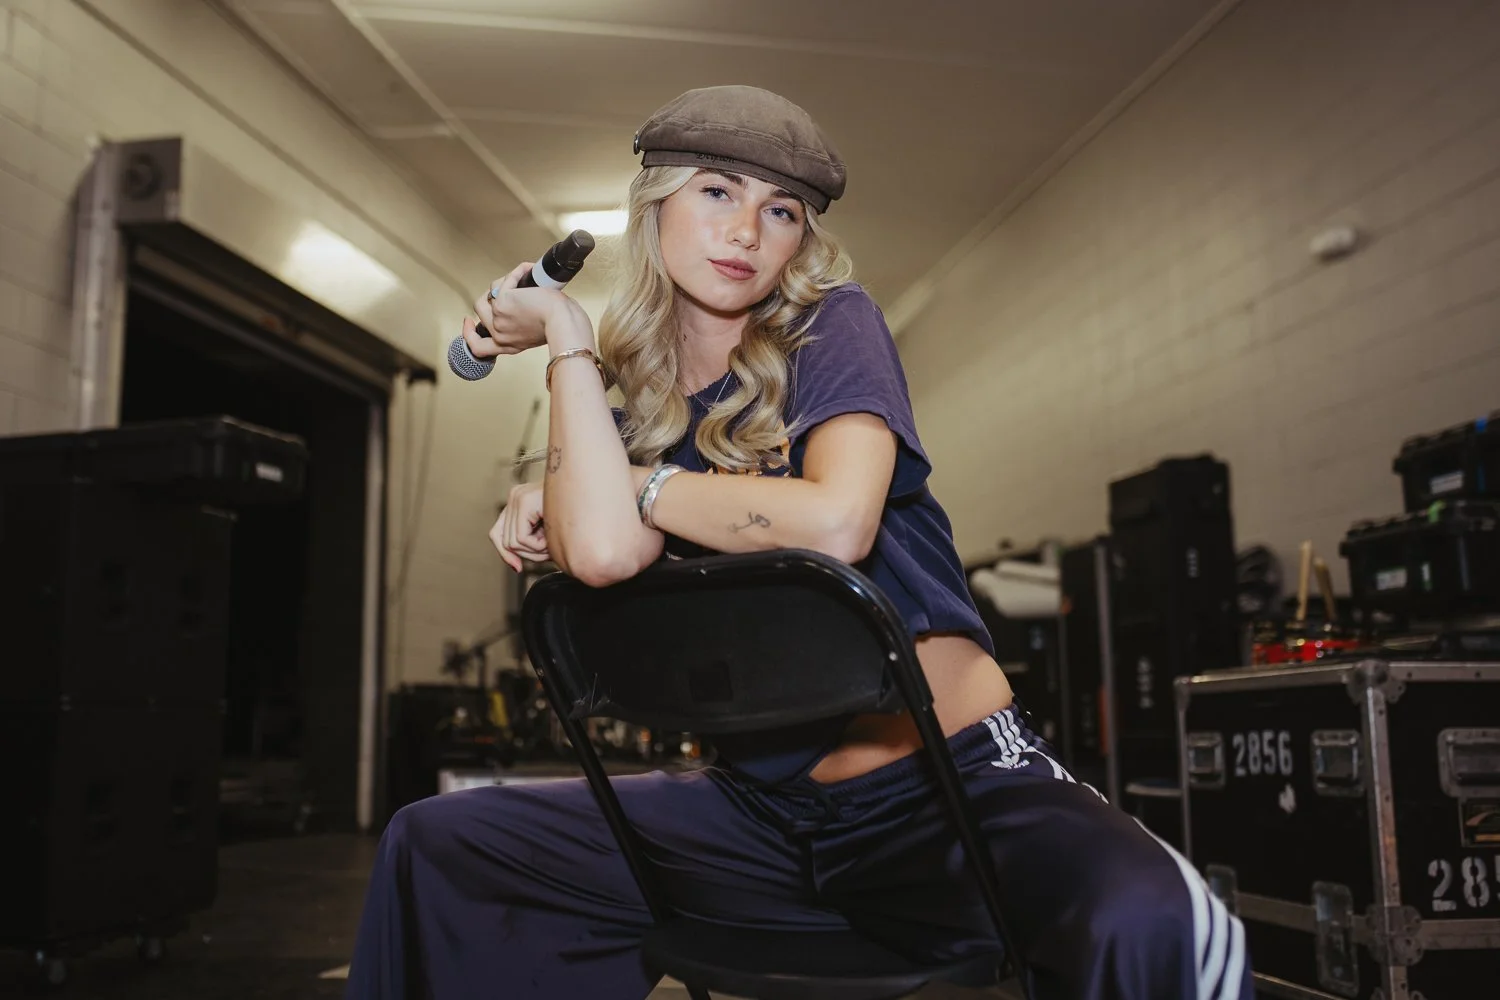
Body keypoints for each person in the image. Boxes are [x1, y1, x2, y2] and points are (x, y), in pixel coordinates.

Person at [346, 85, 1251, 1000]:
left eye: (779, 211)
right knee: (443, 844)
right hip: (760, 815)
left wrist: (632, 483)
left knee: (1157, 921)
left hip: (950, 792)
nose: (746, 230)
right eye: (716, 193)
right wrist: (569, 343)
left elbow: (836, 523)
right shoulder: (623, 399)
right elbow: (605, 556)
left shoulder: (831, 323)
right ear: (652, 204)